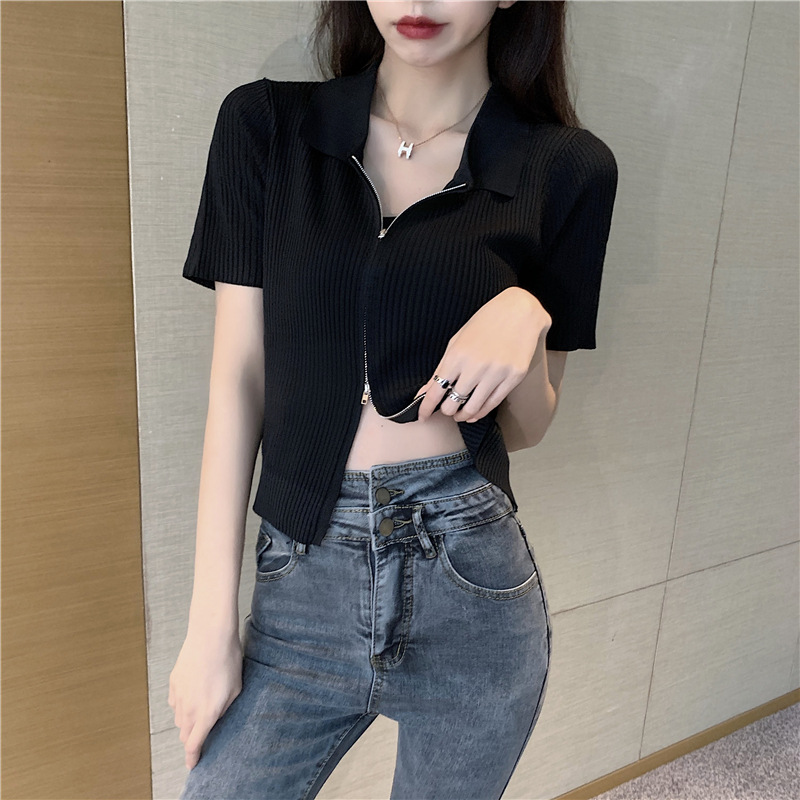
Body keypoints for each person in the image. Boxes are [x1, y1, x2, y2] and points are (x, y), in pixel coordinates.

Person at [171, 1, 618, 798]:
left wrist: (528, 314)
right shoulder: (266, 127)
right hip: (299, 576)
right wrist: (210, 629)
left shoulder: (567, 167)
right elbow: (239, 381)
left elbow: (528, 427)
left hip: (468, 576)